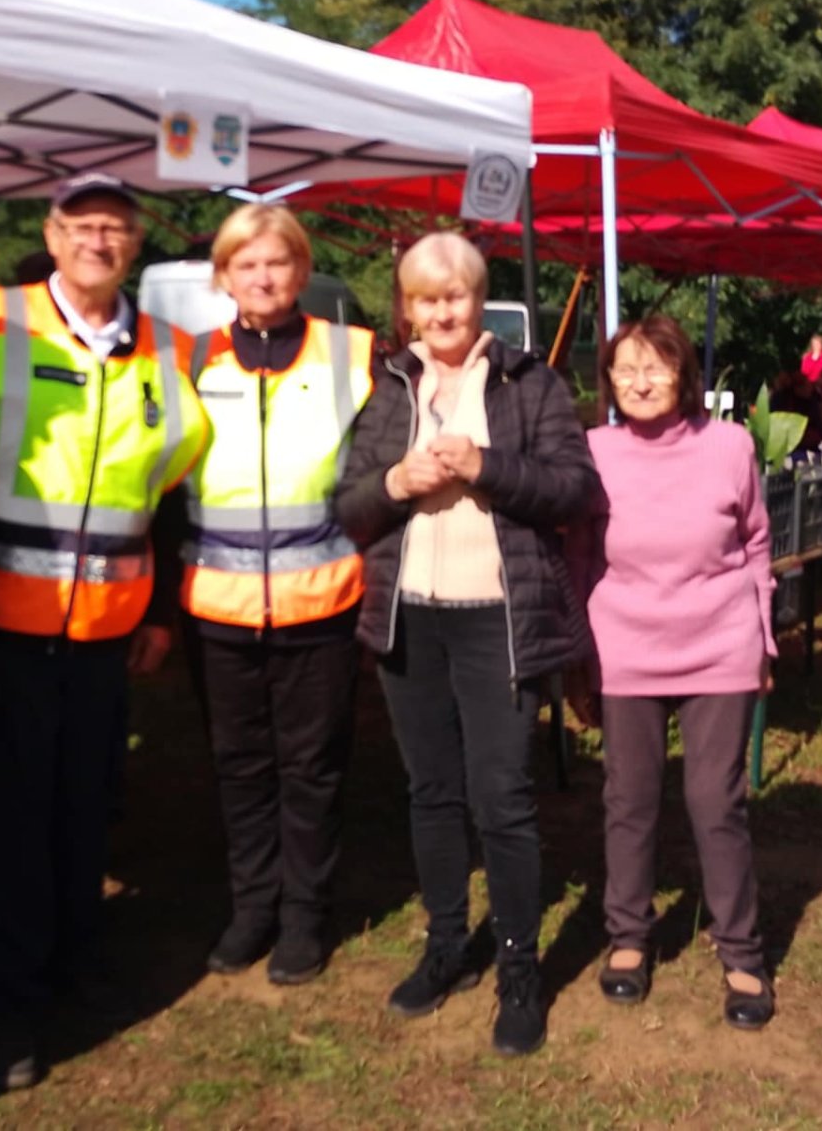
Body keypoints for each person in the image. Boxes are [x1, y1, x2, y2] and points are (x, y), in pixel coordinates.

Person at [0, 171, 210, 1091]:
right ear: (52, 235)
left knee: (84, 805)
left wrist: (164, 608)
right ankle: (3, 1004)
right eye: (84, 225)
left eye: (117, 228)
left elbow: (171, 490)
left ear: (135, 245)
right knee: (2, 818)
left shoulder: (168, 348)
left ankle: (72, 961)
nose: (101, 240)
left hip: (108, 626)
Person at [334, 233, 596, 1058]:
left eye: (457, 296)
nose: (442, 311)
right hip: (411, 615)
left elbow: (575, 488)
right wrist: (394, 484)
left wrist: (487, 464)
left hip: (498, 615)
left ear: (480, 302)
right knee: (431, 791)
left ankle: (520, 967)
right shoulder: (388, 387)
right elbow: (346, 505)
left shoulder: (530, 381)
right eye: (426, 297)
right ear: (406, 307)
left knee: (503, 795)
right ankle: (448, 941)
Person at [163, 205, 371, 986]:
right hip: (216, 604)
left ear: (303, 270)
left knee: (311, 765)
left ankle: (305, 916)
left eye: (278, 262)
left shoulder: (353, 353)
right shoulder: (188, 360)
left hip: (321, 600)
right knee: (240, 764)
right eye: (245, 264)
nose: (263, 276)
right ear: (223, 277)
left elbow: (379, 472)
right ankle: (253, 907)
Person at [568, 315, 777, 1030]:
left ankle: (742, 950)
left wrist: (764, 640)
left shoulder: (730, 445)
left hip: (721, 645)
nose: (639, 381)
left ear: (685, 375)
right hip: (623, 644)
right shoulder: (591, 450)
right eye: (624, 369)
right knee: (629, 796)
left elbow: (755, 543)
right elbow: (578, 556)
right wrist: (577, 653)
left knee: (715, 802)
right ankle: (628, 935)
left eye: (655, 367)